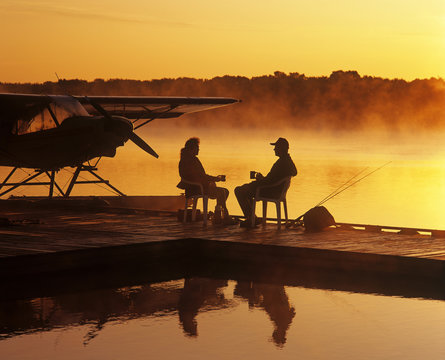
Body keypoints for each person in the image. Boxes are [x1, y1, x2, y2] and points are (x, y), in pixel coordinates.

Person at [235, 137, 297, 227]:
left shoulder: (281, 163)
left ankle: (251, 218)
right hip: (275, 190)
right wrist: (262, 179)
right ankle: (252, 218)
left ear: (282, 149)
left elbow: (268, 181)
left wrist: (256, 182)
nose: (274, 149)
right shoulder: (288, 161)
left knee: (239, 190)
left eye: (276, 147)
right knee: (246, 189)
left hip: (270, 191)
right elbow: (276, 178)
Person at [177, 137, 234, 224]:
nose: (198, 150)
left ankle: (218, 214)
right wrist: (215, 179)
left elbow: (201, 176)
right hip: (195, 188)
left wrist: (213, 180)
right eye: (197, 148)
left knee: (224, 191)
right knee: (222, 192)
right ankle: (221, 216)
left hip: (197, 186)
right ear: (191, 149)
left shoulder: (189, 159)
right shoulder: (189, 161)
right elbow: (199, 176)